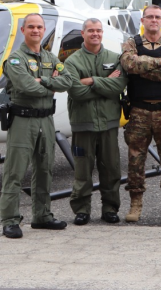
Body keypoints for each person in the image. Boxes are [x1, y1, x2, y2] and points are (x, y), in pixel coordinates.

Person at [1, 13, 74, 239]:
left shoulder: (50, 58)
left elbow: (69, 80)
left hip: (46, 120)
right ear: (23, 31)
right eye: (31, 27)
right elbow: (25, 87)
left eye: (39, 27)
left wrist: (43, 81)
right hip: (23, 121)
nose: (35, 30)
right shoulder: (15, 60)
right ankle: (10, 220)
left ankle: (41, 216)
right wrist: (51, 85)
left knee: (45, 169)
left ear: (44, 31)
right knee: (15, 172)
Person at [120, 4, 161, 223]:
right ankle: (135, 205)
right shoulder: (132, 43)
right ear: (143, 20)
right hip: (139, 111)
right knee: (135, 160)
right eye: (150, 17)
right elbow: (129, 63)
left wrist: (145, 67)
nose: (154, 20)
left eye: (158, 17)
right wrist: (160, 63)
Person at [65, 18, 128, 226]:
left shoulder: (114, 57)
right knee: (82, 170)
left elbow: (117, 87)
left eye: (98, 30)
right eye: (90, 30)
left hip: (109, 123)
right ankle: (81, 209)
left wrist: (91, 80)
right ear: (83, 33)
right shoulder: (72, 61)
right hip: (83, 124)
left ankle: (110, 208)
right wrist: (104, 81)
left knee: (111, 169)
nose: (95, 34)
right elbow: (76, 91)